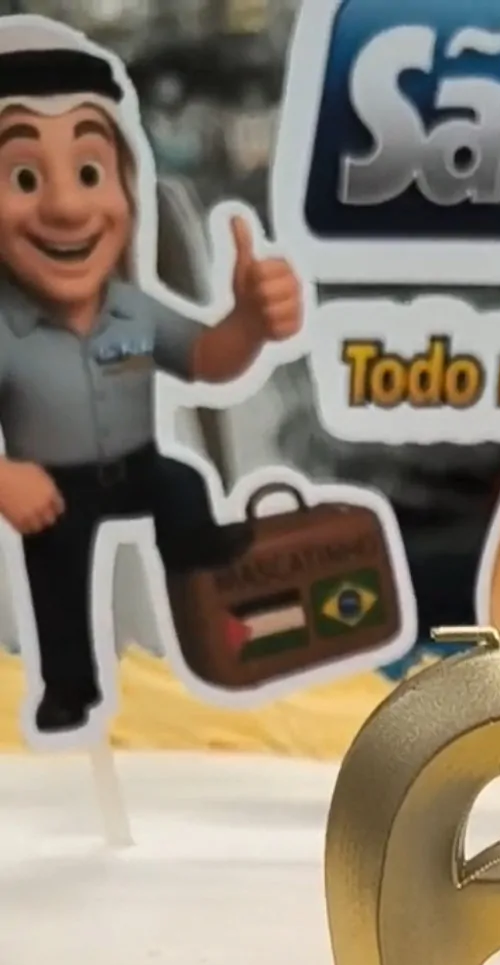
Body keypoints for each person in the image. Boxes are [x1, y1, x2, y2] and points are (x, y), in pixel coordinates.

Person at [0, 20, 302, 733]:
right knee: (57, 582)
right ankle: (69, 687)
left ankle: (206, 611)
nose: (66, 207)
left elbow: (206, 359)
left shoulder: (135, 309)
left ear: (127, 190)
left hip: (136, 465)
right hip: (52, 489)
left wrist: (250, 323)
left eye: (89, 173)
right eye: (23, 177)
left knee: (184, 487)